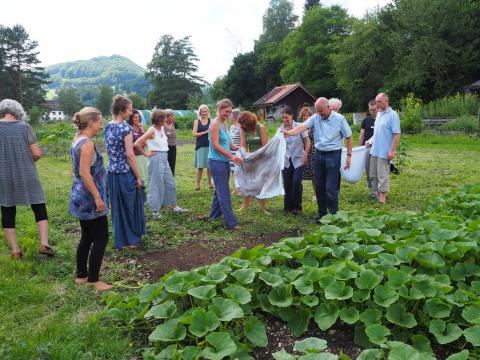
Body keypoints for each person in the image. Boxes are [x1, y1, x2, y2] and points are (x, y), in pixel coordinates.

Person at [0, 99, 54, 259]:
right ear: (17, 111)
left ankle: (15, 251)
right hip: (27, 173)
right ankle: (44, 243)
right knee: (39, 204)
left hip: (3, 176)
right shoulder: (25, 127)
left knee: (7, 209)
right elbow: (36, 153)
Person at [284, 97, 352, 221]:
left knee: (331, 188)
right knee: (319, 186)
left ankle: (333, 216)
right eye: (318, 112)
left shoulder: (339, 119)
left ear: (329, 107)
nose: (320, 114)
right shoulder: (315, 118)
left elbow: (349, 136)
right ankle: (322, 215)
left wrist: (348, 156)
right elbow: (302, 127)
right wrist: (289, 133)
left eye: (322, 112)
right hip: (319, 155)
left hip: (333, 155)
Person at [69, 107, 112, 291]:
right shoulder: (87, 143)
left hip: (79, 194)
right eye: (99, 122)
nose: (100, 126)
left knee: (87, 235)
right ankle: (94, 279)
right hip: (89, 197)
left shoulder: (77, 138)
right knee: (101, 237)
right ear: (92, 122)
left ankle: (81, 276)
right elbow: (84, 173)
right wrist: (97, 197)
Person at [104, 95, 146, 249]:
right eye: (129, 110)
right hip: (125, 174)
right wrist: (139, 176)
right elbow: (130, 155)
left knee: (118, 207)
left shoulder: (107, 126)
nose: (131, 113)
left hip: (112, 174)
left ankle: (121, 238)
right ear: (122, 111)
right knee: (130, 206)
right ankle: (131, 240)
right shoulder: (125, 128)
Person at [134, 110, 187, 220]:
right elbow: (137, 143)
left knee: (170, 183)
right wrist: (146, 154)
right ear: (159, 119)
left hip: (164, 158)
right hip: (156, 159)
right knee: (156, 185)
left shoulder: (162, 128)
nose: (166, 119)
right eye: (164, 118)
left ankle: (173, 206)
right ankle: (155, 212)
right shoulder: (151, 130)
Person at [208, 99, 243, 230]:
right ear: (219, 109)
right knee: (224, 193)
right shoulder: (214, 124)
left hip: (224, 161)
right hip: (217, 162)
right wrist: (231, 156)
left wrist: (239, 149)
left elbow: (228, 144)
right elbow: (216, 145)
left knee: (219, 191)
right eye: (226, 111)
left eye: (230, 112)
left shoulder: (224, 124)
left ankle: (214, 216)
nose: (228, 114)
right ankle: (231, 223)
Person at [367, 93, 401, 204]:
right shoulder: (379, 114)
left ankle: (382, 200)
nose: (376, 104)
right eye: (376, 101)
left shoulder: (393, 115)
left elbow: (397, 134)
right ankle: (376, 195)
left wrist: (392, 150)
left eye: (379, 101)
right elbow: (377, 132)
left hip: (384, 151)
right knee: (373, 174)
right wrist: (370, 141)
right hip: (375, 150)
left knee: (382, 175)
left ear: (386, 101)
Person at [279, 106, 310, 215]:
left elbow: (307, 141)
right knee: (287, 183)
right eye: (282, 118)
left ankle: (297, 207)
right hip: (286, 160)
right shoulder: (280, 129)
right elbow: (278, 145)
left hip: (299, 159)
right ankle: (287, 207)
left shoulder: (300, 127)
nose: (284, 120)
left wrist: (305, 154)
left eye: (286, 117)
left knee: (296, 182)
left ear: (291, 115)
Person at [238, 111, 270, 214]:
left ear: (249, 122)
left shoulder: (260, 127)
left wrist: (257, 155)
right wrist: (243, 154)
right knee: (247, 180)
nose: (242, 126)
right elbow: (243, 145)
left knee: (261, 182)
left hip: (261, 158)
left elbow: (265, 145)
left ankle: (262, 207)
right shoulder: (242, 129)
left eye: (243, 123)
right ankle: (245, 204)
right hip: (249, 158)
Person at [359, 100, 377, 200]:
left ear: (378, 108)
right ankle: (372, 191)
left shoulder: (381, 120)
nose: (372, 111)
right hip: (367, 149)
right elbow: (362, 135)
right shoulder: (366, 120)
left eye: (374, 109)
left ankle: (380, 191)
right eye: (370, 110)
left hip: (379, 148)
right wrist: (359, 148)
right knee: (369, 170)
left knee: (378, 171)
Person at [192, 104, 213, 190]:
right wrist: (205, 132)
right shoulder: (197, 121)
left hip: (210, 145)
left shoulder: (211, 121)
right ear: (200, 112)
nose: (204, 113)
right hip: (200, 146)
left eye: (205, 111)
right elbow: (194, 134)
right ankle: (197, 184)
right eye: (202, 111)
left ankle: (209, 183)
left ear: (208, 112)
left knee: (210, 166)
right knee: (200, 166)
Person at [299, 106, 316, 201]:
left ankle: (315, 194)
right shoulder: (300, 126)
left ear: (310, 116)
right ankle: (299, 194)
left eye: (307, 115)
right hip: (303, 151)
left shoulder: (314, 126)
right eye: (303, 116)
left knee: (314, 175)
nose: (305, 117)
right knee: (301, 174)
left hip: (313, 151)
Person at [128, 109, 148, 183]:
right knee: (135, 176)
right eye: (135, 117)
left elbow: (145, 143)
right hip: (134, 156)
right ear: (131, 118)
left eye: (138, 117)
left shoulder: (140, 128)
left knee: (142, 176)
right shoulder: (129, 129)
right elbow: (130, 145)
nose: (138, 119)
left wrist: (142, 130)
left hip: (141, 155)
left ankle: (141, 191)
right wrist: (139, 143)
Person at [229, 108, 241, 194]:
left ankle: (240, 189)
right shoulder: (231, 127)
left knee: (239, 171)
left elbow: (242, 141)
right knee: (232, 170)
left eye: (231, 115)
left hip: (238, 152)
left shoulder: (241, 127)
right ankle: (234, 188)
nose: (229, 117)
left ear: (235, 117)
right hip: (231, 152)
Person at [164, 109, 177, 176]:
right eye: (172, 116)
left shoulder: (173, 124)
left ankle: (171, 179)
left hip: (173, 147)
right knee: (166, 165)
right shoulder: (162, 125)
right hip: (165, 148)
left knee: (172, 164)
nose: (174, 117)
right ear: (167, 117)